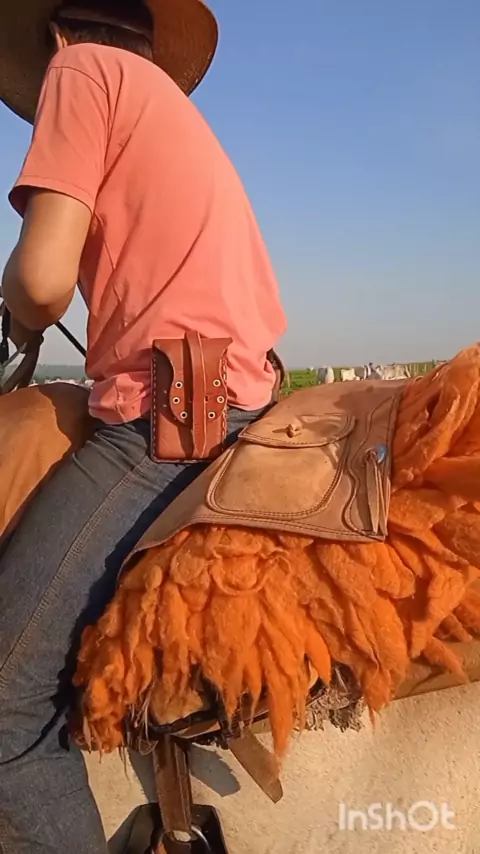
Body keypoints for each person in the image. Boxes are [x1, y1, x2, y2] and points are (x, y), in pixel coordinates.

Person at [0, 0, 287, 850]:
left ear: (56, 32)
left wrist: (15, 299)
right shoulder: (158, 100)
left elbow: (43, 282)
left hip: (175, 410)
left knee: (4, 705)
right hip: (232, 387)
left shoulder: (78, 70)